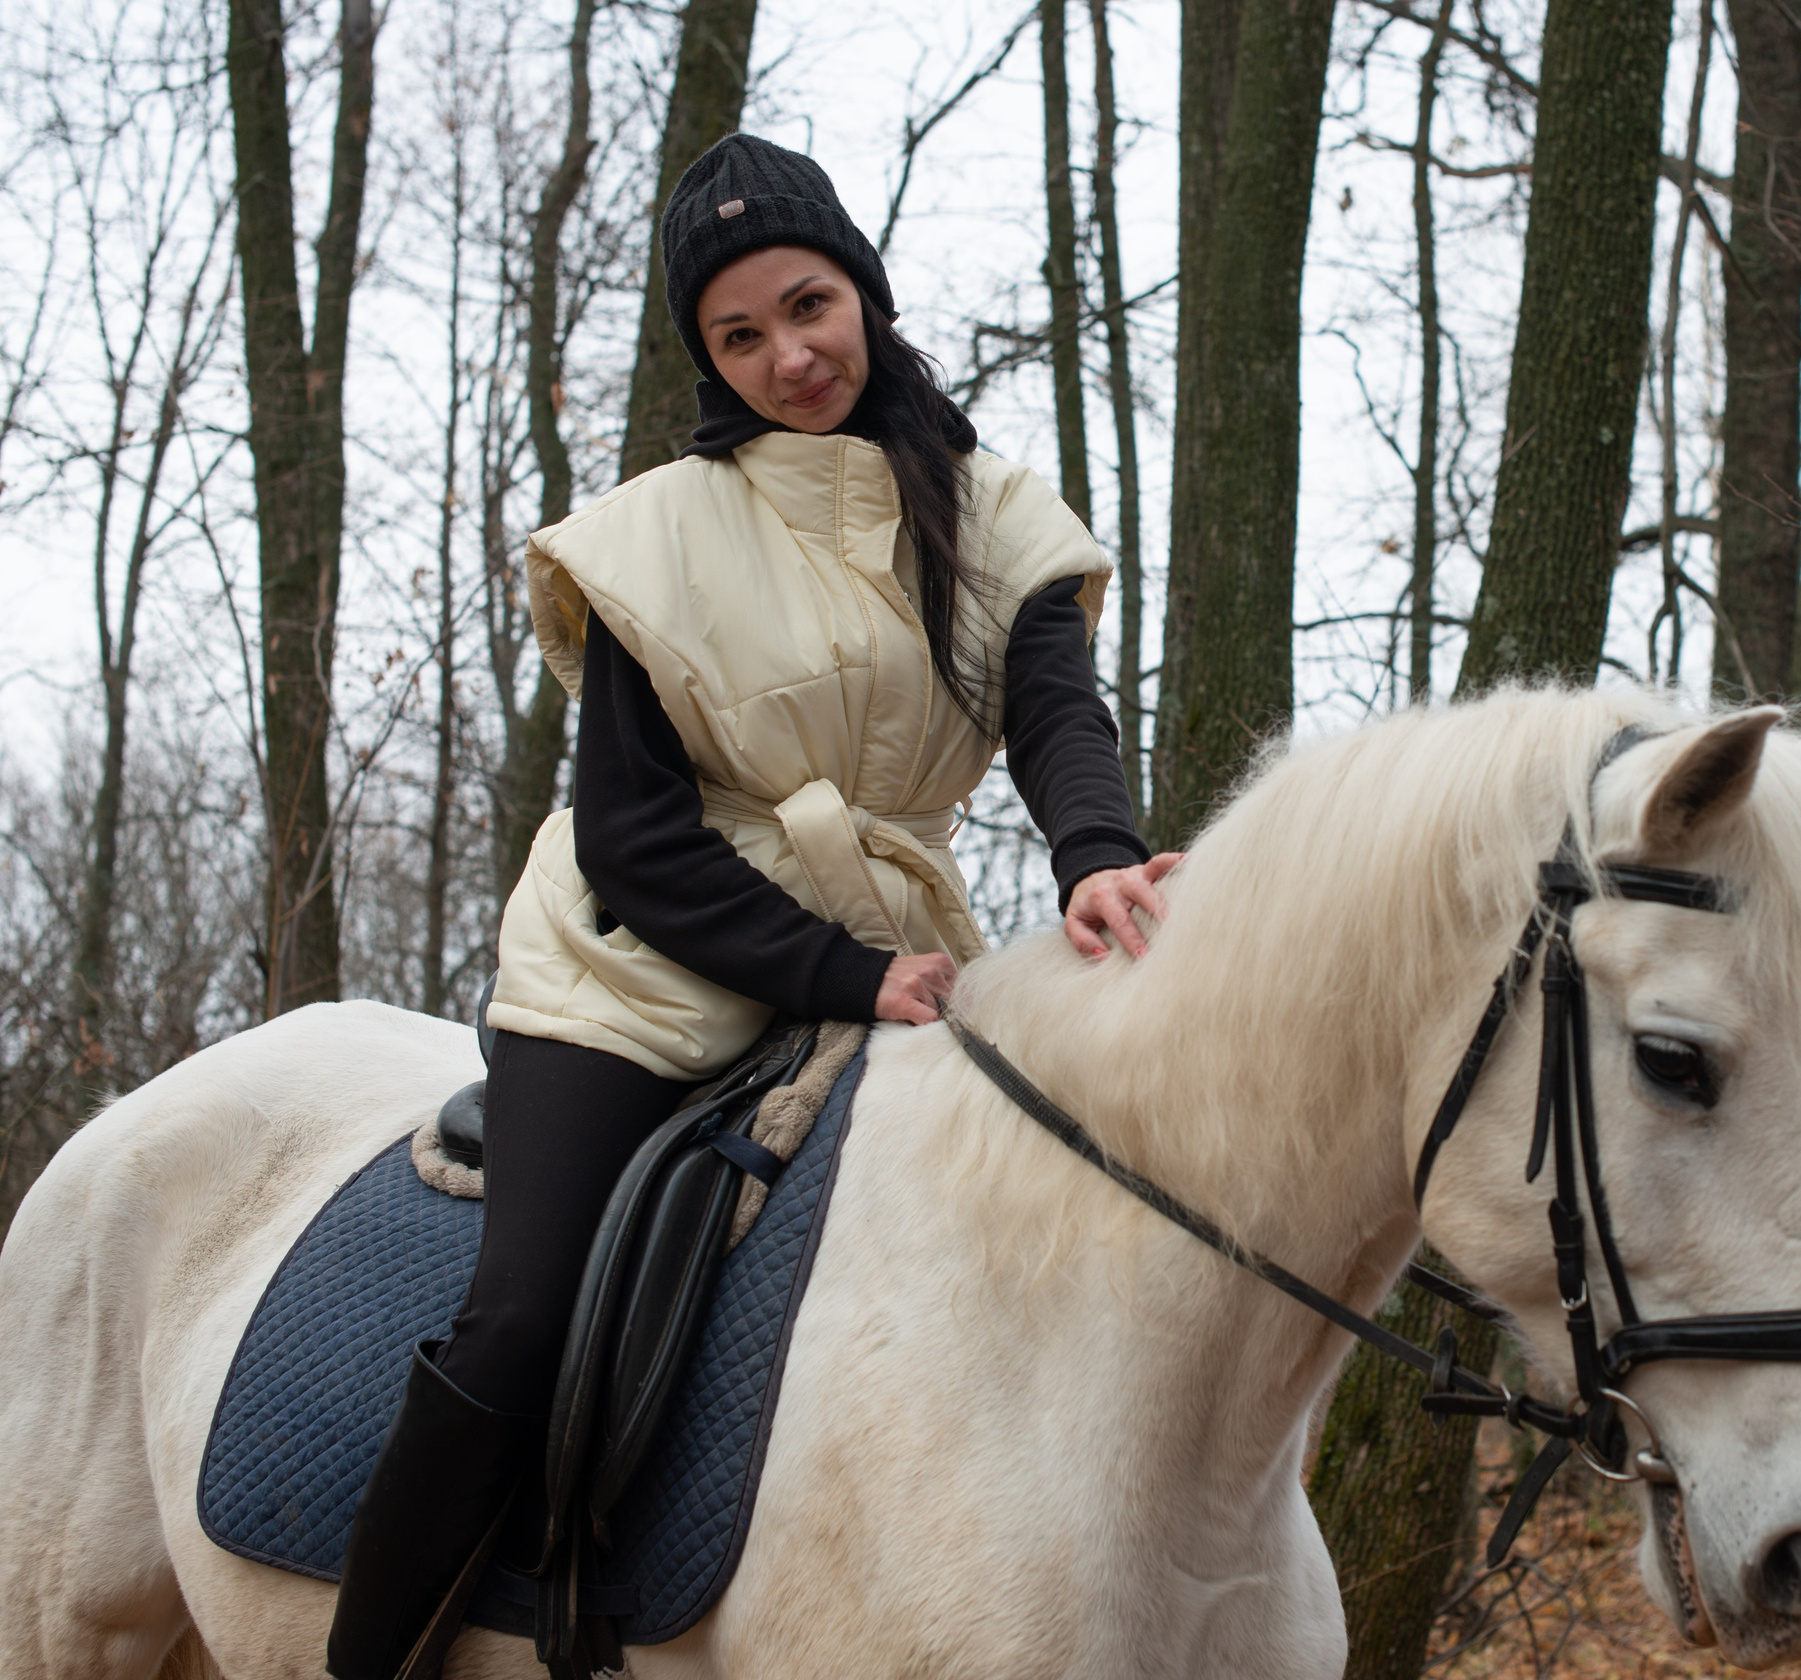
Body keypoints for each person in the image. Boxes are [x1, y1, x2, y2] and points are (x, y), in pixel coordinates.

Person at [326, 133, 1174, 1680]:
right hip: (635, 968)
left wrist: (1094, 856)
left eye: (810, 306)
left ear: (860, 288)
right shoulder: (653, 534)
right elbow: (636, 844)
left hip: (895, 945)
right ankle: (370, 1658)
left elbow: (1056, 709)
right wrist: (849, 975)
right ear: (707, 358)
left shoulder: (993, 513)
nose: (791, 355)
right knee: (521, 1316)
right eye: (742, 336)